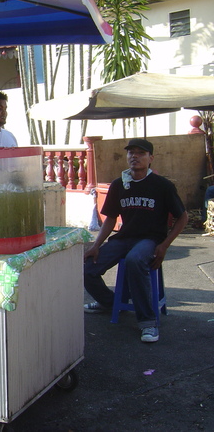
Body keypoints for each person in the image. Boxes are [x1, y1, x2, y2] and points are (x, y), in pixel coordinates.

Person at [83, 138, 188, 343]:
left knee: (134, 261)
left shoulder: (162, 185)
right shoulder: (119, 184)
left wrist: (164, 246)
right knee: (87, 268)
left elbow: (182, 217)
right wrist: (96, 246)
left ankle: (148, 323)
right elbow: (111, 218)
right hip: (124, 238)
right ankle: (111, 303)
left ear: (151, 158)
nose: (135, 156)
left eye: (140, 153)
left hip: (150, 239)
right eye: (131, 153)